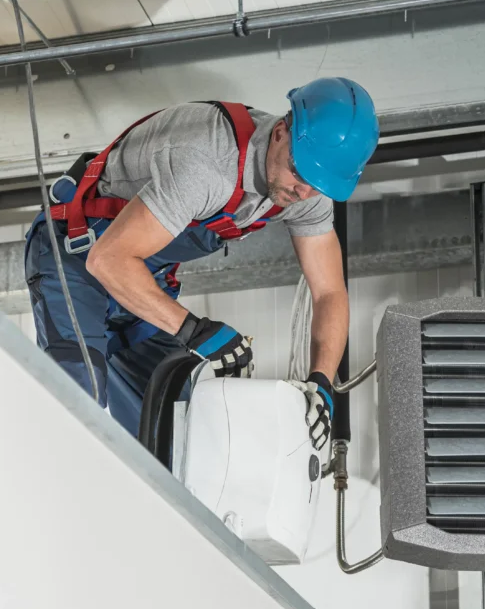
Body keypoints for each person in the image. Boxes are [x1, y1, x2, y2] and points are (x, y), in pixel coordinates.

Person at [24, 77, 379, 449]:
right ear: (280, 132)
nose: (302, 192)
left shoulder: (307, 192)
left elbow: (329, 293)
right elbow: (107, 260)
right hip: (77, 256)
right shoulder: (207, 162)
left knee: (179, 430)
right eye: (299, 172)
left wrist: (321, 383)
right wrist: (194, 331)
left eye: (317, 185)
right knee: (79, 409)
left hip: (140, 273)